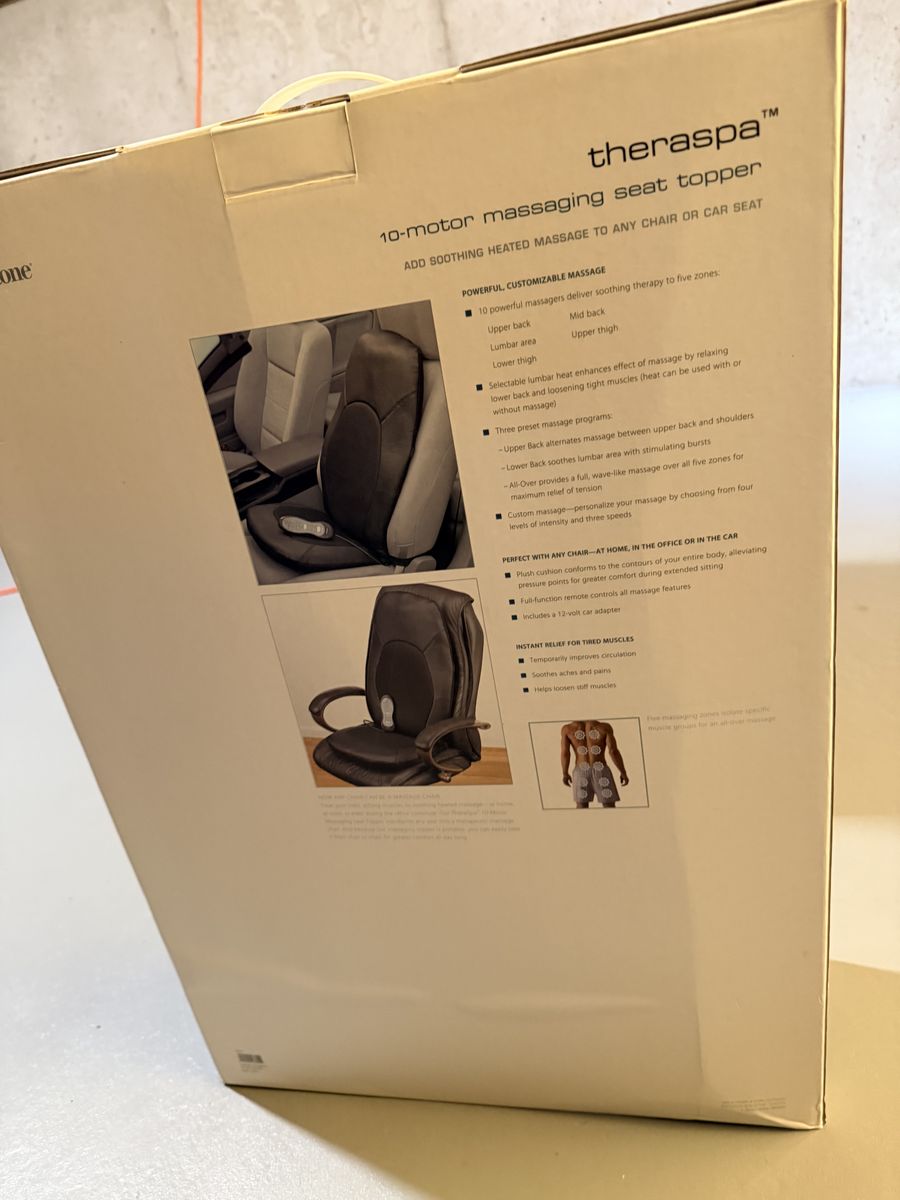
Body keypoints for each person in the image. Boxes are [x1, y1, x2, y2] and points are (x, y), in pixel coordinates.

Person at [560, 719, 629, 808]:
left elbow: (565, 753)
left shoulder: (567, 729)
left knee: (581, 807)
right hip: (601, 770)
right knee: (609, 806)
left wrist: (565, 773)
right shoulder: (604, 727)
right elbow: (613, 751)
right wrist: (623, 772)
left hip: (580, 771)